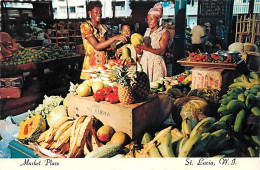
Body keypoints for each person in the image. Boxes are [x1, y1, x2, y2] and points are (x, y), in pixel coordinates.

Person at [80, 1, 127, 79]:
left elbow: (107, 45)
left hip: (103, 65)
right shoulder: (86, 26)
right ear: (90, 12)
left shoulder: (103, 28)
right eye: (96, 12)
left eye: (100, 12)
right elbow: (97, 46)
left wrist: (119, 43)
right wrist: (114, 38)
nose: (99, 14)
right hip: (91, 66)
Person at [135, 3, 169, 82]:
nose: (149, 21)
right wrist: (137, 47)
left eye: (151, 19)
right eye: (148, 19)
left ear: (158, 19)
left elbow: (162, 51)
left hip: (156, 65)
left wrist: (146, 48)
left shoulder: (164, 33)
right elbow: (140, 52)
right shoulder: (147, 31)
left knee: (156, 89)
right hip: (145, 63)